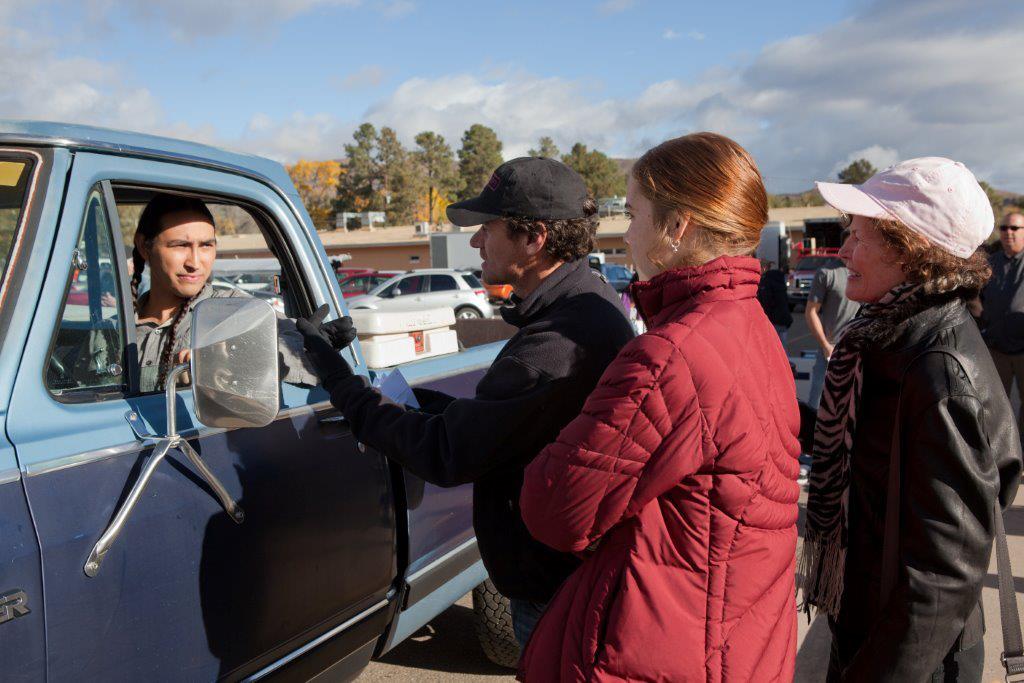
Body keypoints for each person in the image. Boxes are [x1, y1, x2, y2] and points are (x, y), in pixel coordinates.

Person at [296, 157, 635, 647]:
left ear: (534, 238)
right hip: (568, 580)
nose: (475, 241)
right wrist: (390, 391)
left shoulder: (556, 343)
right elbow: (502, 423)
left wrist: (337, 380)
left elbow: (447, 452)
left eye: (487, 228)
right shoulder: (587, 304)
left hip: (554, 596)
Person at [516, 133, 801, 681]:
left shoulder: (671, 353)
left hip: (663, 647)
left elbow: (555, 509)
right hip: (737, 637)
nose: (626, 233)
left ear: (677, 227)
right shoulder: (749, 324)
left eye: (634, 212)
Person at [802, 158, 1022, 681]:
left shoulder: (937, 369)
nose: (844, 251)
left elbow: (942, 577)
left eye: (859, 237)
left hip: (912, 659)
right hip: (870, 627)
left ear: (911, 251)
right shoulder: (889, 339)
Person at [128, 193, 324, 392]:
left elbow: (296, 345)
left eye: (206, 245)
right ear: (144, 246)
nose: (194, 263)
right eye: (181, 245)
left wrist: (232, 355)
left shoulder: (232, 310)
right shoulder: (116, 328)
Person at [979, 211, 1024, 436]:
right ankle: (1002, 457)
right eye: (1005, 228)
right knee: (997, 407)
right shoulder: (992, 263)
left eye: (1015, 228)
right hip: (996, 349)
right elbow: (977, 298)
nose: (1009, 233)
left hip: (1023, 350)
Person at [805, 244, 859, 409]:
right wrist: (825, 345)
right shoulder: (827, 273)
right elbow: (810, 312)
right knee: (817, 404)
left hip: (859, 350)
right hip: (831, 352)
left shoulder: (867, 274)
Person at [758, 259, 793, 342]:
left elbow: (766, 303)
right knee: (782, 349)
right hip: (784, 320)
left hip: (773, 321)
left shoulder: (765, 282)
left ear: (763, 268)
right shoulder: (779, 279)